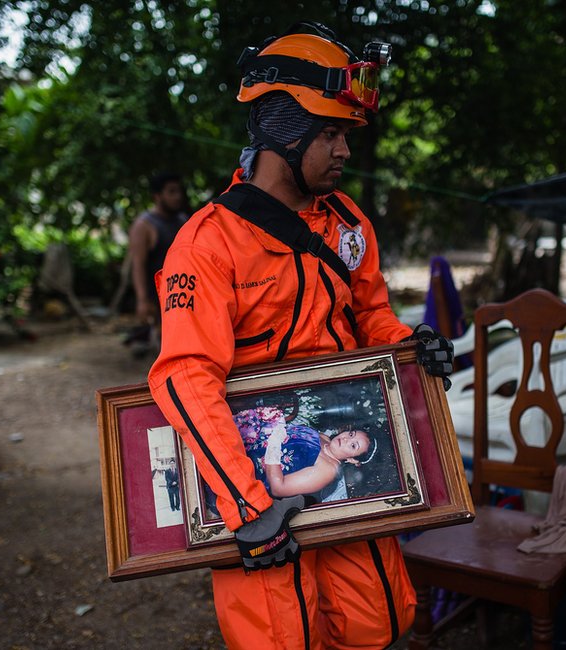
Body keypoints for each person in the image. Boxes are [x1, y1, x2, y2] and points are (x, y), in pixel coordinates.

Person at [147, 21, 453, 650]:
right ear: (283, 130)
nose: (344, 151)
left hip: (345, 466)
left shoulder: (349, 225)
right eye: (331, 133)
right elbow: (185, 376)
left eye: (347, 135)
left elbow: (371, 318)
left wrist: (408, 347)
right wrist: (247, 504)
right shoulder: (206, 244)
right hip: (259, 483)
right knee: (283, 634)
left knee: (377, 619)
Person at [233, 406, 375, 500]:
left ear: (352, 460)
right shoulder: (325, 438)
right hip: (241, 445)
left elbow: (278, 488)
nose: (345, 439)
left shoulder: (327, 471)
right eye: (351, 434)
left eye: (353, 445)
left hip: (243, 472)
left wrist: (274, 444)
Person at [126, 171, 188, 353]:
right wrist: (142, 300)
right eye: (171, 191)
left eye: (179, 191)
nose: (178, 197)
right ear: (157, 196)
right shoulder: (144, 225)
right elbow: (138, 265)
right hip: (158, 298)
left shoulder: (183, 221)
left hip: (182, 292)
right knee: (166, 345)